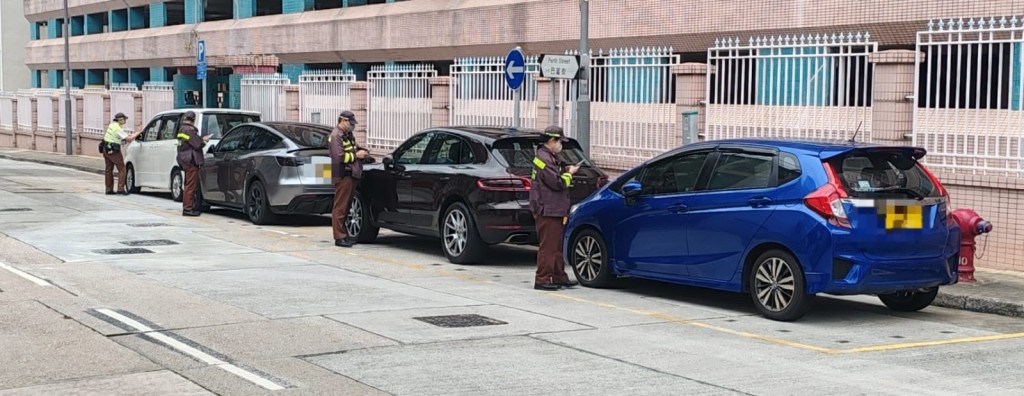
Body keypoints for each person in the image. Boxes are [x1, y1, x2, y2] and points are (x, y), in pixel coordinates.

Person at [529, 125, 581, 291]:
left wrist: (564, 169)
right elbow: (557, 183)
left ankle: (559, 276)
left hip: (554, 208)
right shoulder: (544, 159)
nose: (561, 145)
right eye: (560, 141)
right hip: (548, 209)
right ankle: (542, 279)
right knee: (548, 247)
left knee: (556, 247)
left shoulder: (548, 157)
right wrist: (570, 173)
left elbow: (554, 175)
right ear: (551, 140)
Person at [330, 111, 369, 247]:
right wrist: (357, 155)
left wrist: (362, 151)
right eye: (350, 123)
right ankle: (339, 237)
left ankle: (344, 235)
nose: (352, 126)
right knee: (340, 207)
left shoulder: (347, 135)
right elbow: (339, 157)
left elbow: (352, 149)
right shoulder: (336, 136)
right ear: (343, 120)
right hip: (342, 174)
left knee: (346, 206)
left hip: (350, 173)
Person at [175, 111, 209, 216]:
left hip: (185, 159)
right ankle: (188, 209)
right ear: (193, 119)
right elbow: (197, 144)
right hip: (191, 160)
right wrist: (205, 140)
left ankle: (188, 207)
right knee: (191, 186)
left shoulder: (181, 129)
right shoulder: (189, 130)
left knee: (188, 185)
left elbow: (188, 142)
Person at [101, 112, 142, 195]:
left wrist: (128, 137)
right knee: (122, 169)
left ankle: (108, 189)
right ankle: (121, 189)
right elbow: (129, 139)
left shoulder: (112, 125)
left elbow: (121, 137)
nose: (125, 121)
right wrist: (138, 133)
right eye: (124, 119)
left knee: (108, 169)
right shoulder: (118, 129)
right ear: (120, 120)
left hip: (105, 149)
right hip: (113, 151)